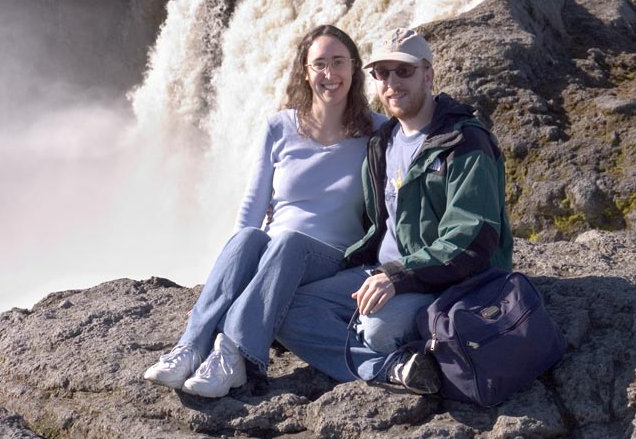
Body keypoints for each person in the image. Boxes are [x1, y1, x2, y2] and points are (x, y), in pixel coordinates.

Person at [143, 25, 387, 398]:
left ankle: (234, 355)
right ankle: (191, 347)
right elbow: (252, 208)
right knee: (247, 237)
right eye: (319, 64)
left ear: (353, 69)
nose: (329, 74)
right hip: (274, 260)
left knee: (288, 241)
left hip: (332, 260)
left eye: (338, 63)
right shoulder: (279, 126)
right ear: (305, 72)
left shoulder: (377, 131)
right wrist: (237, 262)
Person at [276, 27, 514, 394]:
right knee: (288, 310)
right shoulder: (382, 142)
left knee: (377, 329)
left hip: (449, 282)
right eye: (382, 73)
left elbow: (472, 240)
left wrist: (399, 277)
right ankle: (394, 368)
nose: (392, 82)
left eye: (404, 71)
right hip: (380, 273)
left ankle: (363, 344)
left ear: (428, 74)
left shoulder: (464, 141)